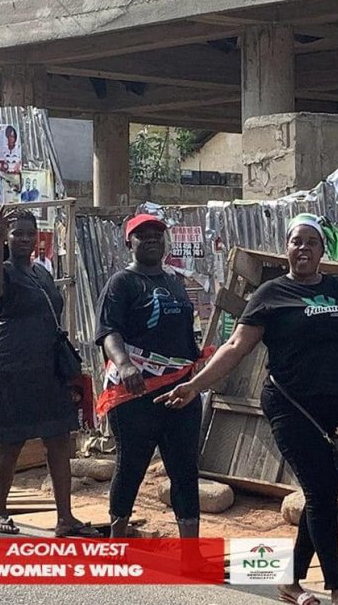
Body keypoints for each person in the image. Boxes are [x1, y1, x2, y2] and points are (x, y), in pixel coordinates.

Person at [157, 213, 338, 605]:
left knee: (323, 496)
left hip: (334, 408)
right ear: (287, 248)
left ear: (322, 250)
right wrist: (195, 385)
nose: (303, 249)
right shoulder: (270, 293)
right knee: (317, 493)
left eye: (311, 242)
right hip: (289, 405)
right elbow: (235, 347)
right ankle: (337, 591)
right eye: (296, 242)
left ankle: (291, 582)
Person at [0, 207, 97, 537]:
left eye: (30, 233)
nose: (25, 239)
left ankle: (65, 518)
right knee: (12, 441)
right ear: (7, 237)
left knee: (59, 439)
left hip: (47, 368)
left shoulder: (41, 273)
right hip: (10, 368)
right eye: (17, 234)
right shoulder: (2, 270)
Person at [95, 214, 208, 540]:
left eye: (157, 235)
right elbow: (108, 332)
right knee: (131, 465)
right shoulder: (122, 283)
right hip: (135, 393)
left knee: (184, 469)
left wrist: (196, 364)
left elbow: (185, 333)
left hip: (180, 393)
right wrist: (126, 364)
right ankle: (118, 534)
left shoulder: (175, 282)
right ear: (128, 242)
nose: (151, 240)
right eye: (142, 236)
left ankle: (190, 547)